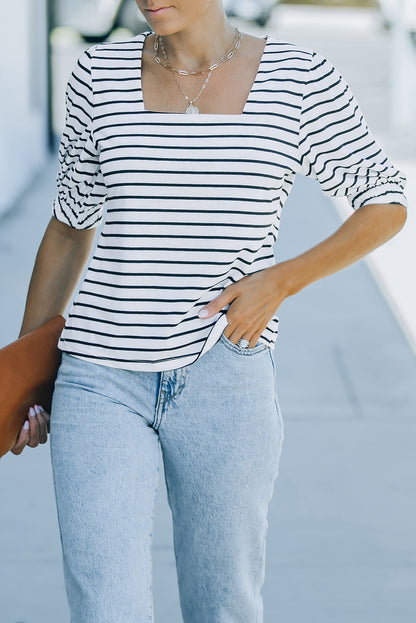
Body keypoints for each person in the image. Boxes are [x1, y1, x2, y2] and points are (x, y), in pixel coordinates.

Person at [10, 1, 408, 621]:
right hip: (99, 377)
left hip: (225, 377)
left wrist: (282, 281)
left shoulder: (299, 78)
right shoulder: (98, 75)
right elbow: (68, 228)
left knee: (223, 606)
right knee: (104, 608)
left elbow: (385, 203)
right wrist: (22, 378)